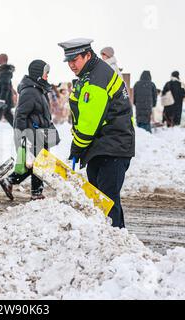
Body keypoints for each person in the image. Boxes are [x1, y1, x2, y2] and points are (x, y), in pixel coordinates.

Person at [58, 38, 135, 229]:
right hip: (102, 146)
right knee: (98, 198)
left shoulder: (97, 78)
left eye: (75, 60)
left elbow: (89, 123)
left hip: (113, 146)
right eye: (68, 61)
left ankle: (115, 240)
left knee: (106, 200)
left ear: (88, 55)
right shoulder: (89, 74)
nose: (71, 65)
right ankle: (109, 237)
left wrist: (76, 148)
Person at [0, 60, 60, 201]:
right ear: (38, 73)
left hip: (40, 133)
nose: (47, 76)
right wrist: (21, 138)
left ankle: (19, 185)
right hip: (32, 135)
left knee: (37, 164)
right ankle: (32, 191)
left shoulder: (38, 89)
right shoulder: (30, 91)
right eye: (45, 73)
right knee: (37, 164)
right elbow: (20, 116)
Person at [0, 54, 15, 131]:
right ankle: (21, 131)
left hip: (1, 100)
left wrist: (2, 100)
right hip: (3, 100)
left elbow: (5, 87)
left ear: (3, 60)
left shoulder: (5, 72)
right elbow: (0, 86)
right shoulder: (3, 72)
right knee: (9, 116)